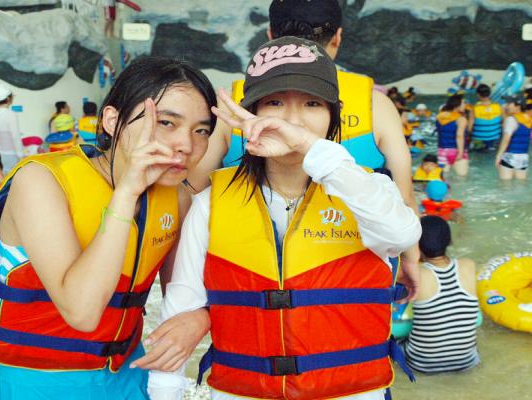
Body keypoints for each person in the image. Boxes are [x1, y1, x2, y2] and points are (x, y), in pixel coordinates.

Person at [147, 36, 421, 400]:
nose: (293, 119)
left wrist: (310, 148)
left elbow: (402, 234)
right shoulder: (211, 204)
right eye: (274, 103)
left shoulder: (366, 191)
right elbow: (178, 315)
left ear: (333, 116)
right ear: (251, 113)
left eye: (312, 104)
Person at [0, 57, 215, 400]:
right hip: (40, 381)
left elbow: (184, 296)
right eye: (166, 122)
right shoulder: (42, 182)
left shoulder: (176, 199)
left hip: (129, 373)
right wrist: (126, 193)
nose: (186, 144)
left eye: (201, 130)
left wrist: (201, 318)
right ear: (112, 120)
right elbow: (82, 312)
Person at [188, 0, 420, 300]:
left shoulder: (235, 104)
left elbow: (192, 191)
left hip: (249, 276)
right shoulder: (375, 103)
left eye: (312, 104)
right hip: (344, 285)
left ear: (270, 36)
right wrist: (411, 258)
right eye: (276, 103)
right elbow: (404, 195)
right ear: (338, 37)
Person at [404, 216, 479, 373]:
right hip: (467, 362)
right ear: (450, 241)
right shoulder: (469, 265)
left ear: (416, 246)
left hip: (422, 364)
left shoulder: (414, 274)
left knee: (393, 340)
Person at [0, 84, 25, 173]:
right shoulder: (11, 114)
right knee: (14, 176)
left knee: (4, 176)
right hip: (11, 154)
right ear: (8, 99)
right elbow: (15, 137)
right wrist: (21, 156)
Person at [495, 98, 532, 180]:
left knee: (505, 184)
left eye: (509, 104)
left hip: (510, 155)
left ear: (517, 106)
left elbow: (506, 140)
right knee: (520, 184)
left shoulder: (511, 119)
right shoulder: (528, 119)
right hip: (523, 157)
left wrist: (498, 156)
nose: (506, 106)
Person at [436, 94, 468, 176]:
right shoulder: (461, 119)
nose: (465, 105)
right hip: (456, 151)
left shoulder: (439, 117)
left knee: (444, 176)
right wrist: (460, 152)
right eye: (463, 103)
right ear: (457, 105)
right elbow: (459, 136)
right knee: (461, 178)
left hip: (442, 151)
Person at [468, 84, 503, 150]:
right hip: (495, 140)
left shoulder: (474, 109)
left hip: (479, 141)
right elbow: (503, 123)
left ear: (478, 94)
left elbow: (469, 128)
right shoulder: (498, 107)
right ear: (489, 94)